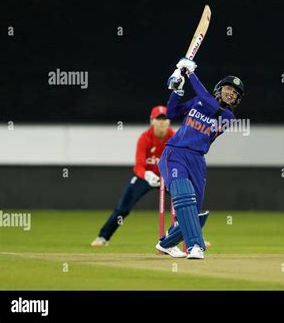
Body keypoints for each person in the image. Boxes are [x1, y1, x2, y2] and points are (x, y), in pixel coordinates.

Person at [155, 58, 244, 259]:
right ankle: (196, 246)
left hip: (197, 160)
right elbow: (171, 112)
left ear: (236, 100)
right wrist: (176, 91)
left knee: (193, 214)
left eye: (235, 93)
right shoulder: (199, 101)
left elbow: (205, 98)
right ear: (220, 89)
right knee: (184, 196)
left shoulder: (227, 116)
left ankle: (165, 245)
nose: (231, 93)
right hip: (175, 153)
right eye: (228, 88)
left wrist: (190, 73)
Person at [90, 106, 184, 256]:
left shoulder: (174, 138)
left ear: (169, 121)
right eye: (158, 119)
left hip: (167, 177)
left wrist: (171, 175)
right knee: (123, 209)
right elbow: (139, 165)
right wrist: (147, 175)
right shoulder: (145, 138)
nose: (161, 123)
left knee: (184, 201)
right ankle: (103, 237)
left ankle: (192, 237)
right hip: (145, 177)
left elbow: (178, 161)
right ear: (151, 121)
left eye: (164, 119)